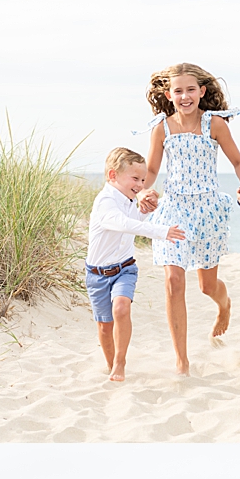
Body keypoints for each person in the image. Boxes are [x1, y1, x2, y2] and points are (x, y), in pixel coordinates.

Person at [140, 62, 240, 375]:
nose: (185, 96)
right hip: (174, 210)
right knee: (173, 281)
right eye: (178, 91)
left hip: (207, 211)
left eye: (191, 89)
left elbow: (238, 162)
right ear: (169, 95)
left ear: (202, 91)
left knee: (206, 286)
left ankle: (224, 304)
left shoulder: (215, 124)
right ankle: (182, 361)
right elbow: (151, 170)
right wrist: (143, 191)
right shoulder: (161, 128)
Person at [85, 147, 186, 382]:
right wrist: (162, 231)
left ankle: (120, 363)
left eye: (143, 180)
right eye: (135, 179)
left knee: (121, 308)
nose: (141, 185)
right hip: (98, 274)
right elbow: (124, 224)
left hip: (125, 268)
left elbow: (134, 219)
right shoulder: (105, 202)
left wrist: (145, 210)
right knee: (105, 327)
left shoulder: (128, 199)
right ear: (113, 175)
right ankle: (111, 364)